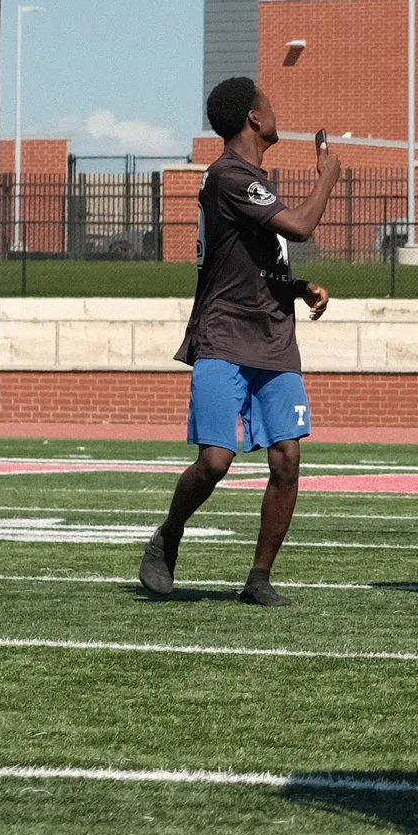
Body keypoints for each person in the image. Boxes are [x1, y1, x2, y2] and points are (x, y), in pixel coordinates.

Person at [139, 74, 343, 607]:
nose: (275, 111)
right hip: (225, 334)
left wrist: (297, 288)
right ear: (254, 117)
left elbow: (253, 261)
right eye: (269, 104)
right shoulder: (230, 176)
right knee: (215, 461)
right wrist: (328, 177)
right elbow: (299, 227)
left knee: (287, 458)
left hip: (273, 338)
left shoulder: (253, 180)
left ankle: (258, 577)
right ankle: (168, 535)